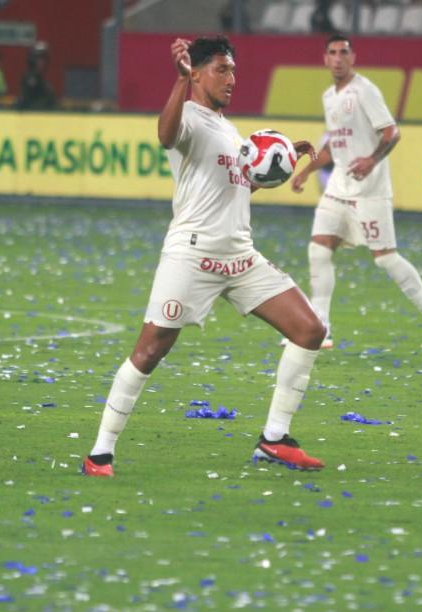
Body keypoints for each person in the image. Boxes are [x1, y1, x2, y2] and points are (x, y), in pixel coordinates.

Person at [83, 36, 327, 477]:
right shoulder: (190, 119)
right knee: (150, 350)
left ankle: (274, 440)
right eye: (221, 69)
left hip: (239, 255)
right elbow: (165, 135)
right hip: (192, 255)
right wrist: (178, 82)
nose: (231, 79)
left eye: (233, 70)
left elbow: (237, 187)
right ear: (195, 73)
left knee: (310, 329)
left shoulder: (228, 129)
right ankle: (100, 453)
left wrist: (282, 160)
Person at [289, 34, 422, 352]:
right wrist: (306, 171)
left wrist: (372, 160)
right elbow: (334, 144)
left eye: (344, 52)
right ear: (325, 59)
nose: (338, 58)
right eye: (333, 53)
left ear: (353, 58)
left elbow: (392, 132)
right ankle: (321, 328)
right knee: (319, 249)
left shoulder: (365, 90)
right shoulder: (329, 96)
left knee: (385, 258)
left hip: (370, 191)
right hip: (339, 186)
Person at [16, 43, 56, 111]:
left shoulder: (40, 78)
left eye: (44, 59)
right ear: (32, 59)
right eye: (39, 59)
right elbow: (28, 100)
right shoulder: (30, 77)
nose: (42, 62)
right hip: (33, 114)